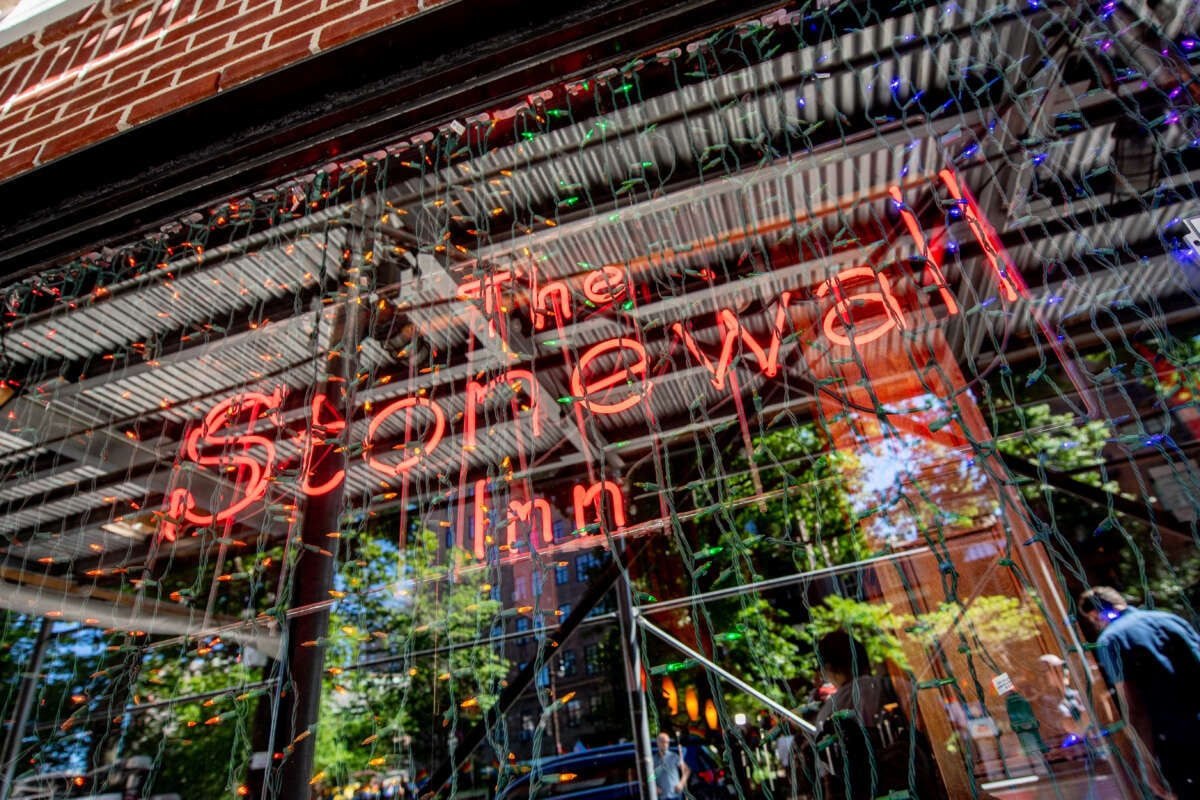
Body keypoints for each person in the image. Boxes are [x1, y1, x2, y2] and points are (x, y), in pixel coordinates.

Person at [1079, 586, 1200, 799]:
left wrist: (1148, 764)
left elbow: (1133, 706)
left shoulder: (1111, 639)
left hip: (1180, 746)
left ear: (1095, 616)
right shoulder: (1169, 619)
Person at [811, 630, 943, 800]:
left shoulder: (828, 714)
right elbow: (940, 729)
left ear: (828, 669)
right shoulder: (896, 688)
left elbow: (828, 772)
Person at [652, 731, 690, 800]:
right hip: (662, 797)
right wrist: (654, 787)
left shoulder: (673, 756)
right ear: (658, 743)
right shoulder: (653, 760)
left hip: (676, 795)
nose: (666, 744)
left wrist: (681, 784)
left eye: (667, 742)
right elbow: (649, 777)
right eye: (663, 742)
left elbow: (686, 770)